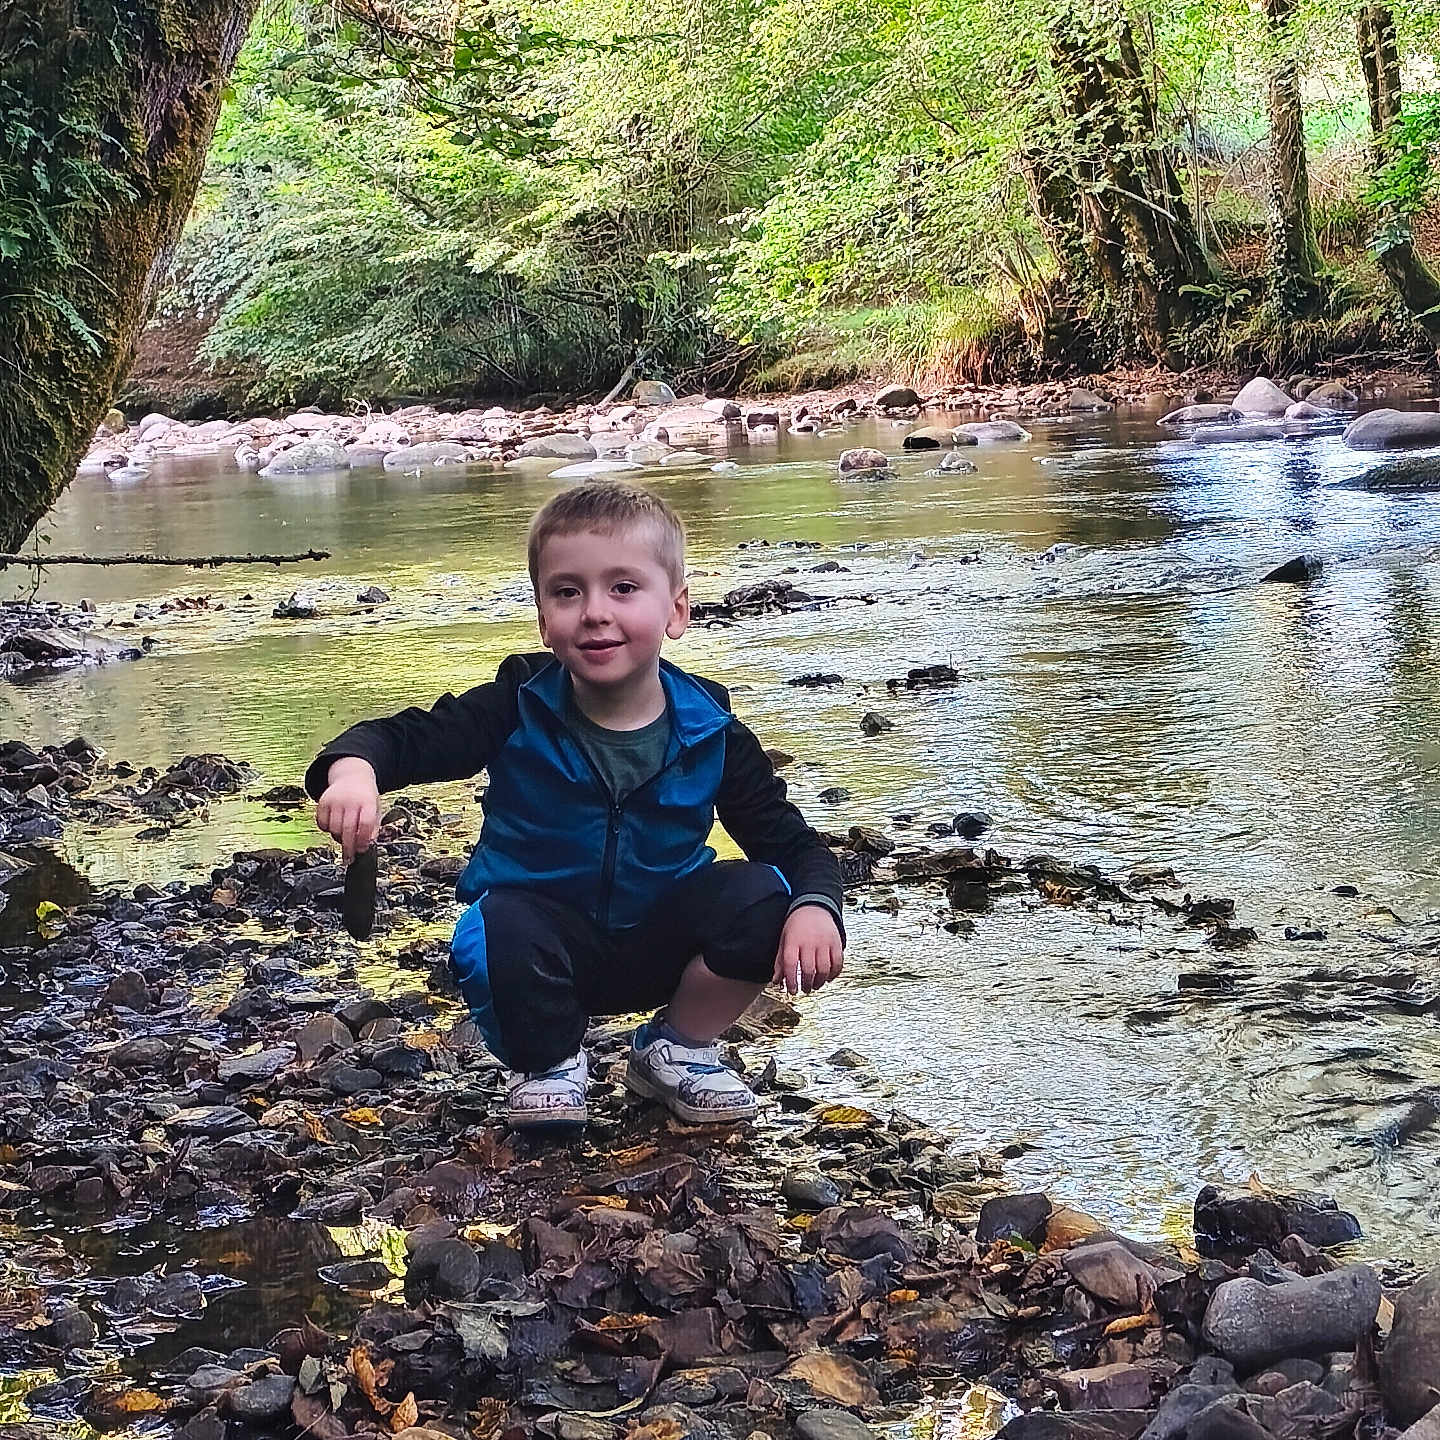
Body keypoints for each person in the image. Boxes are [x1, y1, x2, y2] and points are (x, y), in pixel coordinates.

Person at [304, 481, 845, 1130]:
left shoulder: (710, 729)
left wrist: (816, 909)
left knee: (768, 895)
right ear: (542, 617)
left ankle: (674, 1049)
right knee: (495, 924)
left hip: (659, 940)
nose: (594, 611)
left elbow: (794, 845)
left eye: (623, 588)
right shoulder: (515, 704)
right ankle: (549, 1060)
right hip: (540, 944)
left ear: (676, 610)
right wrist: (354, 771)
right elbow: (409, 738)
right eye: (568, 591)